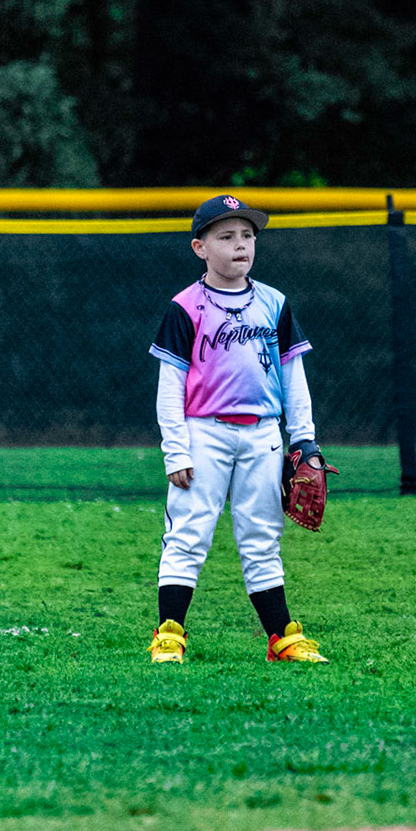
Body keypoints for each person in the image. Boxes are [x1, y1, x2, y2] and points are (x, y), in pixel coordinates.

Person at [145, 194, 331, 664]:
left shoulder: (274, 303)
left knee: (261, 536)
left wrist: (303, 439)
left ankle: (282, 638)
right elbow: (170, 384)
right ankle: (170, 633)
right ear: (199, 247)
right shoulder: (185, 307)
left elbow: (293, 375)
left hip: (263, 434)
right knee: (189, 533)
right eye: (226, 237)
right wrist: (176, 450)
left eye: (247, 235)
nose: (240, 245)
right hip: (202, 431)